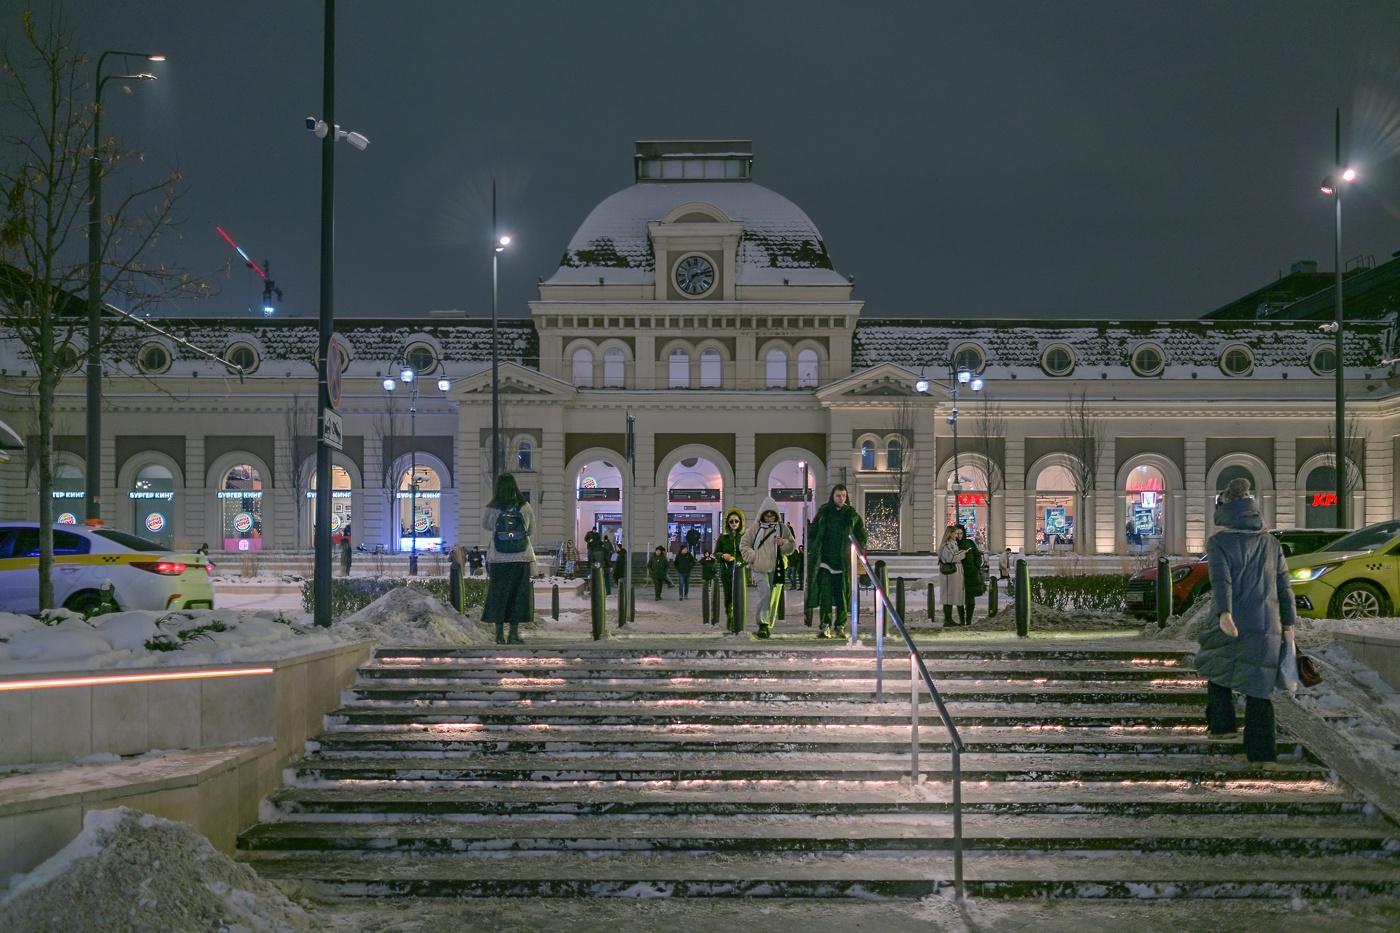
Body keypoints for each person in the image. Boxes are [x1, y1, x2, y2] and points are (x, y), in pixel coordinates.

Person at [1196, 477, 1296, 768]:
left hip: (1232, 619)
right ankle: (1263, 755)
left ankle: (1222, 726)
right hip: (1267, 625)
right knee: (1260, 687)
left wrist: (1224, 613)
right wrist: (1288, 623)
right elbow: (1284, 586)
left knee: (1216, 665)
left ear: (1225, 510)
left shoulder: (1219, 542)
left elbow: (1221, 581)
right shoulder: (1271, 543)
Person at [805, 485, 867, 639]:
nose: (841, 499)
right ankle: (825, 625)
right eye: (838, 495)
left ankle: (840, 625)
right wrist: (813, 548)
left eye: (844, 495)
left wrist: (855, 548)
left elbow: (862, 535)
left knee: (842, 595)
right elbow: (812, 532)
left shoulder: (851, 515)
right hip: (825, 561)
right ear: (832, 496)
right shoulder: (824, 513)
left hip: (843, 562)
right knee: (825, 595)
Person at [481, 472, 535, 645]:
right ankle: (513, 634)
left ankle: (499, 635)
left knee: (498, 594)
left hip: (498, 557)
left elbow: (486, 525)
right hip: (521, 557)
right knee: (518, 595)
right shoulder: (525, 506)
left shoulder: (493, 507)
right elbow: (531, 530)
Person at [740, 497, 797, 639]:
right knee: (765, 592)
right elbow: (744, 544)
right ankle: (763, 624)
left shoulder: (783, 529)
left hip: (777, 568)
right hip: (759, 567)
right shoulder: (755, 528)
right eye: (767, 515)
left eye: (772, 515)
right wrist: (754, 557)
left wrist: (783, 543)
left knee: (773, 596)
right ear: (762, 515)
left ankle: (768, 624)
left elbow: (791, 547)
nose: (770, 518)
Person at [715, 508, 747, 629]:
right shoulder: (723, 537)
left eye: (736, 521)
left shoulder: (744, 537)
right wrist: (723, 556)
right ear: (727, 523)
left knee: (739, 597)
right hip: (727, 571)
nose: (734, 523)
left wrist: (743, 561)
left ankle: (739, 620)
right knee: (729, 597)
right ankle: (730, 617)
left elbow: (749, 553)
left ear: (740, 522)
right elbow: (716, 553)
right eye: (731, 521)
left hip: (741, 571)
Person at [938, 524, 970, 626]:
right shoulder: (946, 546)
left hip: (955, 574)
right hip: (950, 575)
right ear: (950, 534)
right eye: (955, 533)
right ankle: (947, 619)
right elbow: (950, 558)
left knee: (954, 596)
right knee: (949, 597)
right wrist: (963, 554)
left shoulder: (953, 544)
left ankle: (953, 619)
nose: (957, 535)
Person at [956, 524, 985, 624]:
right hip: (959, 574)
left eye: (961, 533)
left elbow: (977, 555)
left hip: (971, 573)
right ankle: (962, 620)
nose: (959, 535)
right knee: (960, 599)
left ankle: (968, 620)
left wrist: (976, 566)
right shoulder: (954, 544)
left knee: (970, 599)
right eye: (957, 533)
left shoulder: (969, 543)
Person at [584, 530, 612, 596]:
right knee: (606, 580)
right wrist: (610, 566)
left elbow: (591, 561)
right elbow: (607, 559)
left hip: (597, 568)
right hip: (604, 567)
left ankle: (597, 591)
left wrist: (591, 567)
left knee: (597, 580)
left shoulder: (594, 552)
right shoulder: (604, 551)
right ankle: (607, 591)